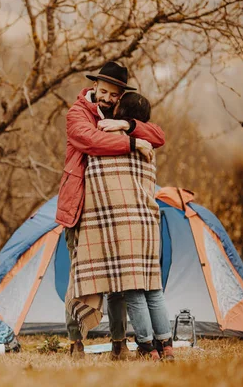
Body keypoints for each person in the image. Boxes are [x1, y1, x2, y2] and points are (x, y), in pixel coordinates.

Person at [56, 62, 164, 360]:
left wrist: (127, 125)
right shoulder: (77, 113)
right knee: (79, 277)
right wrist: (132, 142)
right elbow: (89, 141)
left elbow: (159, 135)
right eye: (103, 91)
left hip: (113, 211)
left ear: (120, 96)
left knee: (119, 279)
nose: (107, 97)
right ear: (94, 88)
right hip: (81, 208)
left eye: (114, 94)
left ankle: (119, 344)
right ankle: (75, 342)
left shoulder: (118, 116)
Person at [97, 91, 175, 360]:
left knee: (133, 290)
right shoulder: (148, 145)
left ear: (123, 112)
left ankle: (146, 346)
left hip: (125, 222)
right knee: (154, 288)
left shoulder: (112, 142)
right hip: (148, 221)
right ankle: (166, 345)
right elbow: (157, 135)